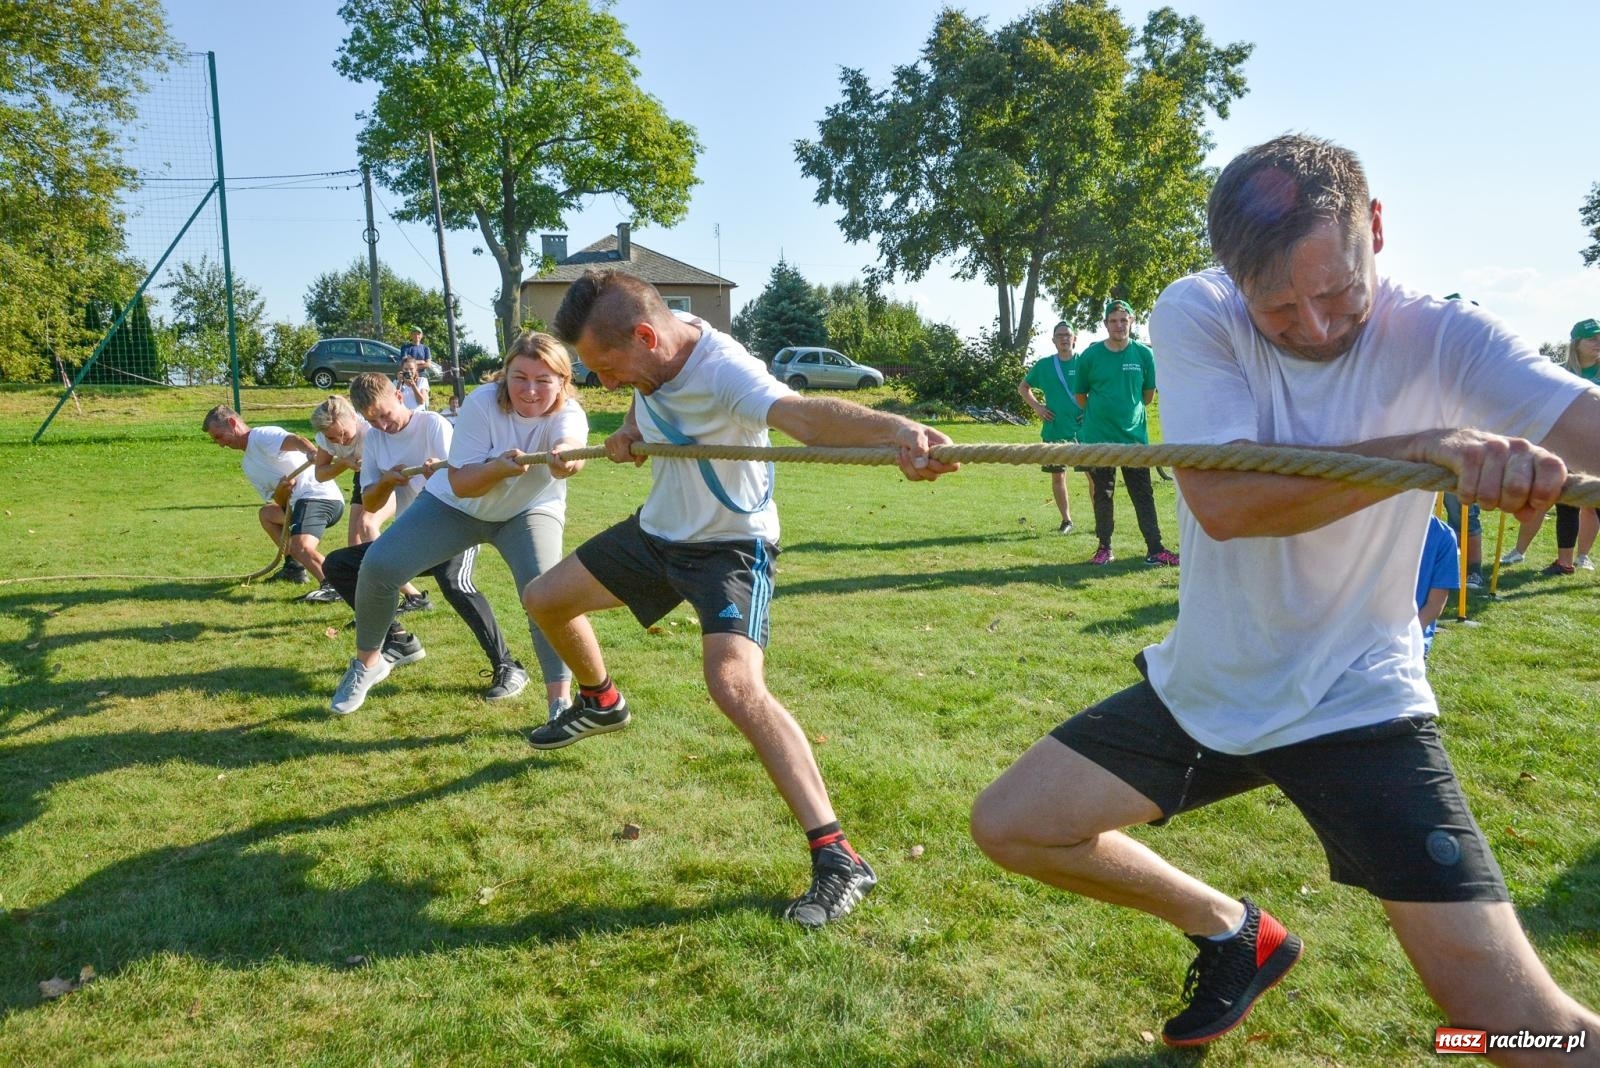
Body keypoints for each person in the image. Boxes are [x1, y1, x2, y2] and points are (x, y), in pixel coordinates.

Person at [970, 134, 1600, 1057]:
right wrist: (1423, 452)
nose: (1315, 327)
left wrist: (1474, 447)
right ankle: (1235, 931)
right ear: (1232, 281)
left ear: (1375, 227)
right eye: (1279, 309)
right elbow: (1224, 503)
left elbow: (1583, 422)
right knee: (1012, 826)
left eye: (1340, 294)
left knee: (1511, 1029)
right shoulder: (1196, 313)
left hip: (1357, 702)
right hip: (1209, 692)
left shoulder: (1444, 337)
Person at [521, 268, 956, 928]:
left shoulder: (726, 368)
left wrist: (899, 430)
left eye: (608, 368)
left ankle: (840, 858)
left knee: (734, 685)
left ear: (645, 336)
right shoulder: (651, 362)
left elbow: (804, 417)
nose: (605, 384)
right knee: (546, 598)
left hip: (727, 548)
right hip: (657, 532)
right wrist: (631, 429)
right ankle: (601, 701)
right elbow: (647, 395)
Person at [328, 337, 585, 717]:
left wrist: (566, 459)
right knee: (379, 565)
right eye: (520, 377)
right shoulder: (483, 403)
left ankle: (559, 703)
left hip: (529, 510)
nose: (530, 390)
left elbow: (571, 444)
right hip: (456, 505)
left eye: (544, 380)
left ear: (562, 381)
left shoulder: (570, 412)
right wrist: (498, 466)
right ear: (504, 376)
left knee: (544, 597)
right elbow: (464, 483)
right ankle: (368, 663)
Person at [1073, 299, 1178, 566]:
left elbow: (1148, 396)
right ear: (1106, 324)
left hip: (1134, 440)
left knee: (1143, 495)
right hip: (1099, 440)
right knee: (1103, 495)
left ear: (1131, 321)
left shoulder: (1144, 355)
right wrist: (1102, 415)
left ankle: (1155, 550)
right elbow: (1080, 395)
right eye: (1113, 321)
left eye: (1123, 320)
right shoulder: (1091, 356)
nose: (1118, 325)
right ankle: (1104, 548)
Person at [203, 405, 345, 597]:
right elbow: (281, 502)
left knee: (301, 546)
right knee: (267, 514)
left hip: (319, 496)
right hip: (299, 503)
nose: (220, 444)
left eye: (219, 436)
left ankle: (335, 585)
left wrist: (311, 451)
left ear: (232, 423)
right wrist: (281, 491)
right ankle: (294, 568)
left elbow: (295, 440)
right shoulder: (248, 465)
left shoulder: (261, 435)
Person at [309, 396, 430, 612]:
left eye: (343, 433)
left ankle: (411, 595)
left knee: (366, 525)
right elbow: (320, 474)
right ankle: (396, 599)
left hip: (393, 475)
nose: (340, 441)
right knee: (355, 546)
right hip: (364, 480)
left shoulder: (370, 429)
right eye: (332, 438)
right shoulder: (326, 438)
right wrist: (344, 463)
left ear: (354, 418)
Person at [1540, 318, 1600, 576]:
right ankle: (1565, 562)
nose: (1598, 343)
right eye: (1592, 338)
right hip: (1565, 445)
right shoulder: (1559, 372)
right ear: (1576, 343)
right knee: (1566, 501)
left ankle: (1583, 556)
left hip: (1596, 447)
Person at [1017, 322, 1089, 533]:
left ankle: (1100, 522)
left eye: (1067, 335)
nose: (1064, 339)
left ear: (1074, 338)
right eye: (1059, 336)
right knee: (1058, 476)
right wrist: (1038, 407)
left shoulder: (1084, 363)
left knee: (1093, 476)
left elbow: (1097, 389)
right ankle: (1066, 520)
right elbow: (1023, 387)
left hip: (1084, 430)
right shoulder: (1044, 365)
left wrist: (1090, 411)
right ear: (1053, 340)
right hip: (1055, 429)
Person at [1416, 514, 1461, 655]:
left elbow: (1435, 606)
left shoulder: (1443, 536)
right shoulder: (1373, 525)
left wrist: (1405, 638)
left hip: (1412, 637)